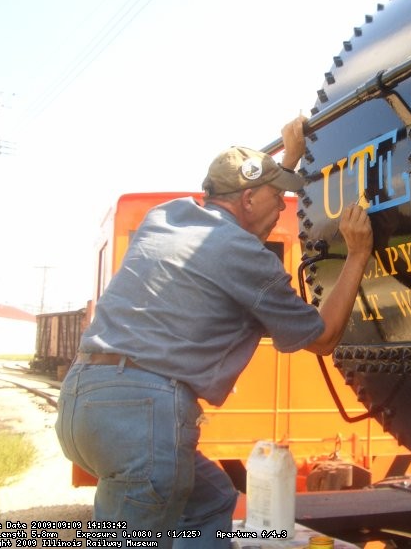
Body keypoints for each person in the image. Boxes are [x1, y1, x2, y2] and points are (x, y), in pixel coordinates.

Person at [55, 115, 373, 547]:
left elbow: (225, 224)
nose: (283, 206)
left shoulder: (166, 217)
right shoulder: (246, 257)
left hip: (82, 402)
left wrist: (283, 163)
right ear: (247, 200)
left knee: (210, 500)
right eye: (275, 196)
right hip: (144, 414)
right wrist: (356, 255)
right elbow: (323, 338)